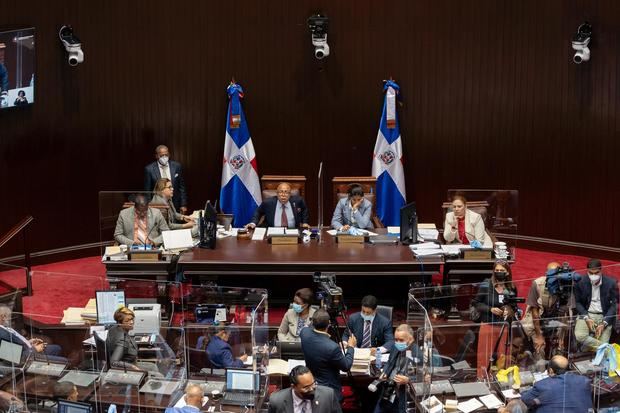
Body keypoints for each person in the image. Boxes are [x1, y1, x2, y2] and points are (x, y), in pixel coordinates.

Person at [373, 324, 441, 413]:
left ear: (411, 339)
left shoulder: (418, 354)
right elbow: (390, 362)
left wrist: (408, 380)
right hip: (389, 391)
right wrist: (385, 371)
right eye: (396, 339)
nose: (397, 343)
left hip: (404, 395)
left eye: (401, 340)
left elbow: (427, 377)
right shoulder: (395, 347)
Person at [300, 309, 356, 401]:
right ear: (329, 324)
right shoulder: (332, 347)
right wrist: (351, 347)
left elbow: (310, 327)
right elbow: (346, 366)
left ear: (313, 322)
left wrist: (319, 317)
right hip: (329, 391)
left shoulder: (304, 333)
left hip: (311, 384)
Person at [521, 262, 574, 358]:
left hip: (555, 322)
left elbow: (565, 312)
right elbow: (534, 311)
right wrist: (539, 335)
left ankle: (556, 371)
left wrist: (561, 338)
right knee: (539, 348)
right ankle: (540, 371)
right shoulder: (537, 283)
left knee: (560, 350)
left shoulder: (565, 285)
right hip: (537, 322)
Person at [574, 258, 618, 351]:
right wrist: (586, 318)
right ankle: (607, 348)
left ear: (601, 270)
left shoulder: (611, 283)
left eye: (596, 273)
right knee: (580, 336)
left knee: (598, 349)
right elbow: (578, 303)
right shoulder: (580, 282)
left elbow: (614, 305)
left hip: (604, 316)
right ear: (587, 271)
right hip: (587, 313)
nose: (594, 275)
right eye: (591, 273)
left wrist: (604, 323)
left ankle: (601, 349)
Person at [521, 355, 592, 412]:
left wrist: (526, 391)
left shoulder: (543, 384)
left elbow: (525, 399)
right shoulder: (584, 381)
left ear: (551, 371)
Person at [106, 307, 160, 374]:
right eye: (127, 321)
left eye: (132, 319)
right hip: (125, 371)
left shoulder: (114, 328)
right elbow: (114, 363)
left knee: (153, 366)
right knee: (158, 375)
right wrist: (132, 367)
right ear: (120, 323)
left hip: (130, 363)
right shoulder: (122, 340)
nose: (131, 322)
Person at [268, 365, 342, 413]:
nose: (311, 389)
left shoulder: (328, 395)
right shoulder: (276, 401)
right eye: (306, 387)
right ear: (293, 387)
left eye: (313, 384)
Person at [144, 145, 188, 214]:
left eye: (166, 155)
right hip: (158, 205)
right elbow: (148, 191)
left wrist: (183, 204)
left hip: (175, 203)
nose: (164, 157)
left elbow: (182, 187)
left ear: (169, 154)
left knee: (176, 221)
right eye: (161, 155)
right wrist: (150, 208)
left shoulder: (176, 166)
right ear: (156, 156)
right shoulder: (149, 169)